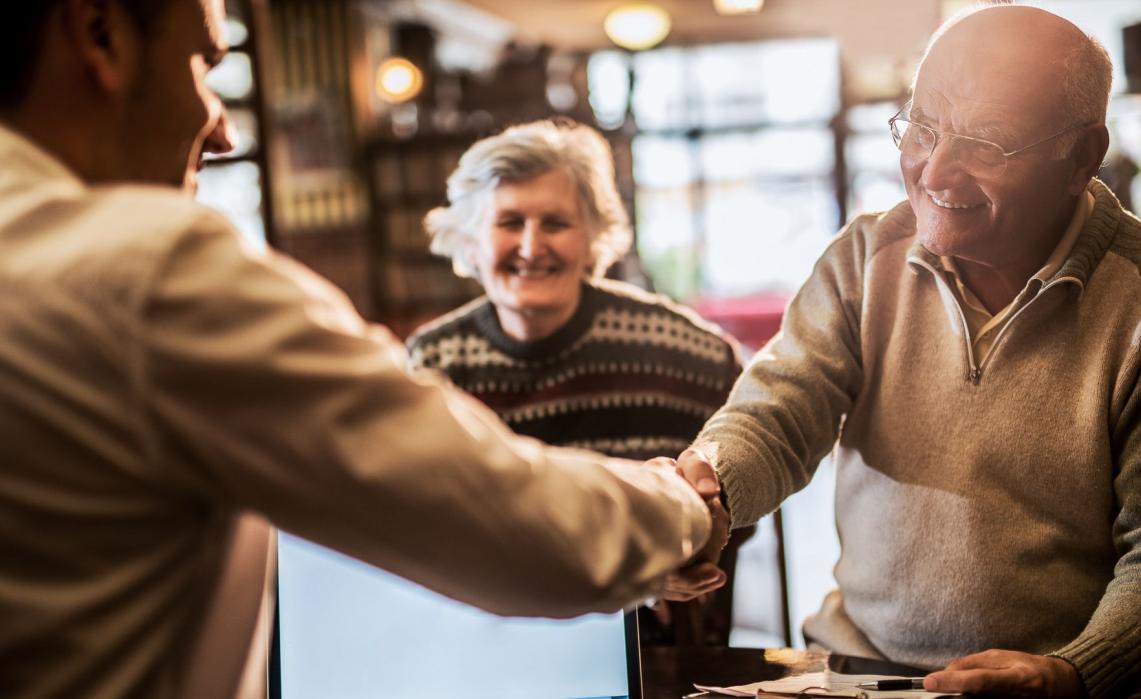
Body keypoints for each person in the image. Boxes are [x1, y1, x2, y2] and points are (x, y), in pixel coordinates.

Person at [0, 1, 726, 697]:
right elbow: (515, 519)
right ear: (98, 32)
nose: (218, 129)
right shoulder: (149, 273)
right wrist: (685, 508)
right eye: (202, 64)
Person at [672, 6, 1141, 698]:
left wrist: (1072, 670)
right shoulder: (864, 259)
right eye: (923, 127)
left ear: (1082, 156)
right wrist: (711, 487)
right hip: (865, 672)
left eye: (987, 143)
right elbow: (780, 411)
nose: (934, 169)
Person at [407, 119, 751, 645]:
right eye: (509, 221)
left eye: (556, 223)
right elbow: (427, 523)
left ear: (593, 236)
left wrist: (696, 547)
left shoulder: (692, 354)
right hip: (493, 643)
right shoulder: (433, 363)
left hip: (656, 653)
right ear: (470, 242)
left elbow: (744, 491)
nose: (531, 245)